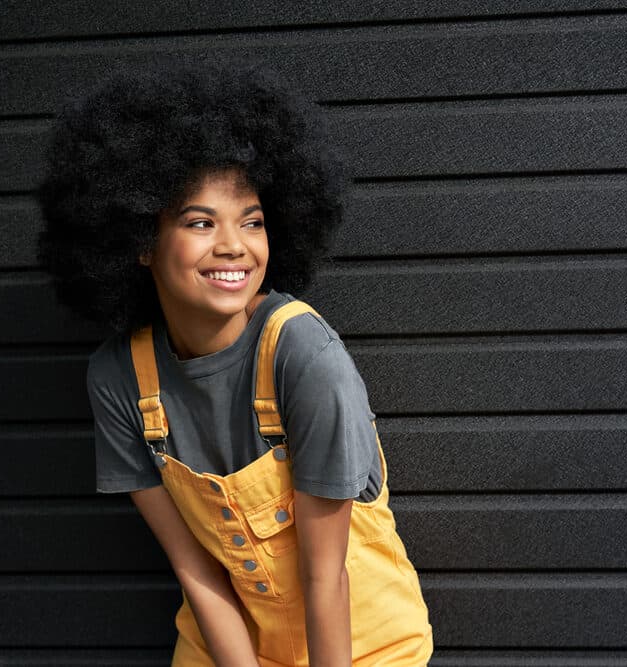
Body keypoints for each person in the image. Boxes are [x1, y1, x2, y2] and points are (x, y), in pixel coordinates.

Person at [37, 60, 433, 666]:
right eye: (201, 222)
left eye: (252, 221)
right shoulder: (120, 378)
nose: (234, 245)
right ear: (141, 242)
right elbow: (195, 571)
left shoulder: (304, 355)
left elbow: (327, 581)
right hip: (228, 641)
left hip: (360, 642)